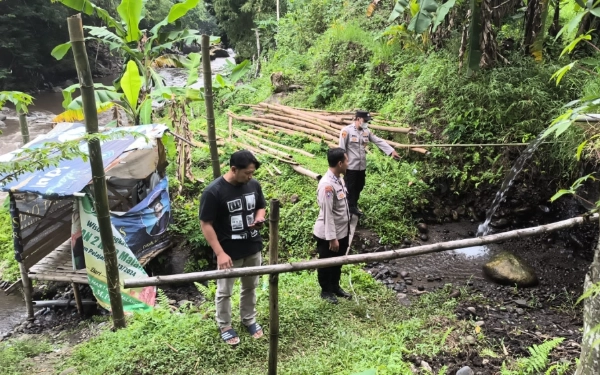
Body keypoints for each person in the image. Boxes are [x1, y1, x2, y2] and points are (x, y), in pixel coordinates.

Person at [199, 150, 267, 346]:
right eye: (247, 173)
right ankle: (225, 326)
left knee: (250, 287)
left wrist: (259, 218)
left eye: (252, 172)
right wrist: (220, 253)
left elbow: (260, 206)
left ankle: (249, 319)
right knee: (224, 292)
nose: (250, 176)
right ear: (234, 169)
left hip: (253, 246)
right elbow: (206, 224)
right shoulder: (214, 191)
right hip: (228, 252)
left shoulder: (253, 185)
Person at [339, 110, 400, 217]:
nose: (366, 122)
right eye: (365, 120)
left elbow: (378, 141)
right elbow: (341, 149)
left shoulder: (366, 131)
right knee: (350, 187)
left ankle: (353, 205)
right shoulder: (346, 131)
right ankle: (350, 208)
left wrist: (391, 151)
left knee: (360, 186)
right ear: (358, 119)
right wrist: (342, 167)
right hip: (351, 167)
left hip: (361, 167)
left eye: (368, 121)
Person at [313, 147, 352, 304]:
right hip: (329, 233)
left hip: (342, 230)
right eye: (347, 160)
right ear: (340, 163)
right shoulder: (327, 185)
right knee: (326, 262)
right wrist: (332, 238)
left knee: (338, 261)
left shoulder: (339, 179)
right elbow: (328, 214)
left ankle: (335, 286)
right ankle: (326, 291)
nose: (349, 163)